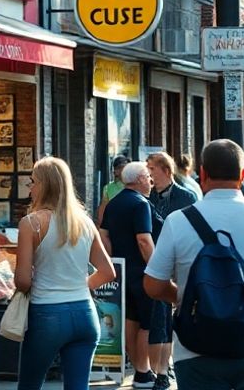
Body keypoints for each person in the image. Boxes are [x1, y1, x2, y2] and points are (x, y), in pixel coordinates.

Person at [144, 139, 244, 390]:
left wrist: (186, 298)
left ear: (203, 173)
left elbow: (154, 285)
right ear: (243, 175)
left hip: (196, 351)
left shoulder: (178, 222)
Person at [14, 157, 116, 390]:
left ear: (44, 185)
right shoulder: (84, 223)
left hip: (46, 313)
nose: (30, 188)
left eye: (33, 182)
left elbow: (22, 280)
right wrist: (79, 285)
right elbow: (107, 272)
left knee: (29, 385)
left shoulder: (31, 224)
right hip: (84, 313)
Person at [99, 161, 157, 389]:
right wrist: (156, 269)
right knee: (146, 324)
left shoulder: (114, 203)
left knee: (130, 321)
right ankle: (143, 372)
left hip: (122, 272)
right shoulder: (141, 204)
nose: (151, 182)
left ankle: (138, 369)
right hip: (142, 272)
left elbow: (103, 235)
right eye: (148, 177)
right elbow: (144, 240)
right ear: (140, 179)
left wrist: (112, 262)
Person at [145, 152, 200, 390]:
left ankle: (170, 364)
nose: (149, 174)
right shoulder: (148, 197)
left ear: (166, 171)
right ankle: (161, 371)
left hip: (180, 264)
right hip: (157, 263)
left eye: (152, 170)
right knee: (160, 317)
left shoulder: (186, 196)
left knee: (177, 316)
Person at [97, 155, 129, 222]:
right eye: (119, 168)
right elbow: (102, 212)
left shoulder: (134, 185)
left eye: (125, 167)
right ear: (115, 171)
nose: (122, 170)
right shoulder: (108, 188)